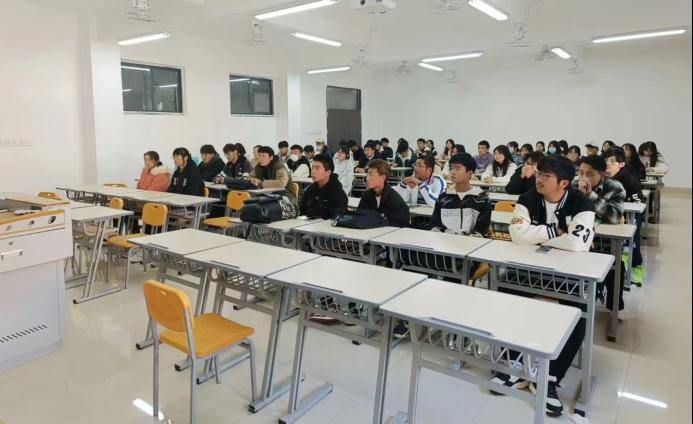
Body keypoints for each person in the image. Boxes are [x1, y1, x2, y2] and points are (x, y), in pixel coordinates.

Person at [503, 155, 596, 416]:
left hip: (571, 273)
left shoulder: (582, 203)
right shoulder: (527, 198)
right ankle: (514, 362)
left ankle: (551, 377)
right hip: (530, 267)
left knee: (580, 312)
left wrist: (537, 235)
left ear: (564, 183)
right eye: (539, 173)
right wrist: (557, 232)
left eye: (546, 175)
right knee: (506, 290)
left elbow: (577, 244)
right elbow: (517, 235)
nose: (539, 179)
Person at [574, 154, 627, 315]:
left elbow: (614, 217)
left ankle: (614, 306)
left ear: (602, 174)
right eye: (581, 172)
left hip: (604, 242)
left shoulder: (615, 187)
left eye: (589, 174)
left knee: (616, 266)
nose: (583, 177)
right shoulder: (573, 183)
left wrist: (591, 195)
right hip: (578, 236)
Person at [604, 147, 646, 285]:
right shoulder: (603, 176)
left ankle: (635, 267)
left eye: (612, 161)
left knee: (632, 239)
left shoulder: (629, 179)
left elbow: (638, 202)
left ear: (621, 164)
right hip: (611, 214)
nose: (608, 163)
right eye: (606, 160)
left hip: (629, 215)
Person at [430, 153, 491, 236]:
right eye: (451, 168)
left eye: (457, 168)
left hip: (471, 243)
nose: (452, 172)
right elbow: (435, 227)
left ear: (469, 173)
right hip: (444, 241)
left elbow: (480, 233)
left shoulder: (482, 200)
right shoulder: (444, 197)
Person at [358, 159, 410, 227]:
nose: (367, 178)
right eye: (367, 175)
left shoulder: (394, 200)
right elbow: (359, 217)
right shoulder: (366, 195)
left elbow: (399, 225)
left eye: (370, 175)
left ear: (383, 177)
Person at [299, 154, 347, 219]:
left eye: (317, 168)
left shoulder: (338, 193)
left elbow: (337, 218)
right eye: (312, 167)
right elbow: (302, 211)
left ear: (328, 173)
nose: (312, 171)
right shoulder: (310, 190)